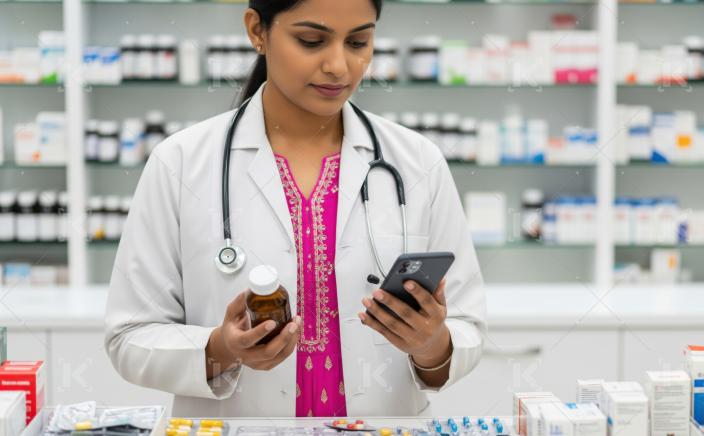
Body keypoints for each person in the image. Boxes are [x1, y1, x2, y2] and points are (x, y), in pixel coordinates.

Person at [104, 0, 486, 418]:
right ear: (258, 31)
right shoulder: (180, 163)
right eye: (311, 41)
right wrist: (220, 350)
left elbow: (468, 327)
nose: (340, 66)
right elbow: (130, 337)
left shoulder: (417, 162)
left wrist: (431, 346)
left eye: (358, 41)